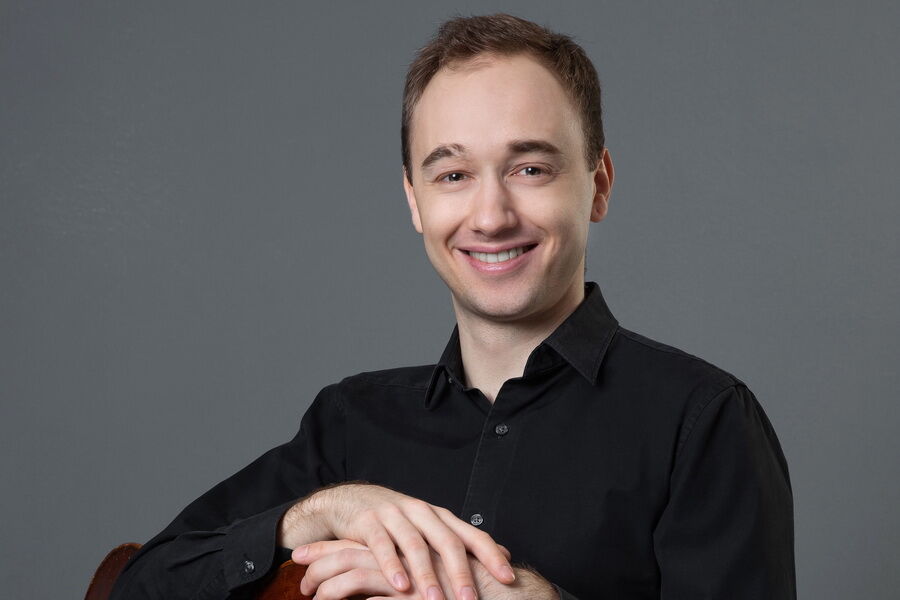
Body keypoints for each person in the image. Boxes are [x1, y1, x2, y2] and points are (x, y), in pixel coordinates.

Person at [110, 13, 796, 600]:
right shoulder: (349, 425)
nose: (491, 216)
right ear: (415, 201)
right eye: (453, 174)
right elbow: (135, 587)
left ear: (599, 184)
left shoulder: (702, 422)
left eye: (530, 168)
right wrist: (316, 513)